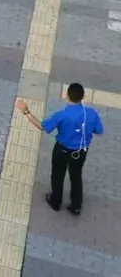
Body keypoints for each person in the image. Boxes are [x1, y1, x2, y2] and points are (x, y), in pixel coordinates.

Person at [15, 83, 104, 215]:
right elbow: (99, 131)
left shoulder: (61, 115)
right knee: (76, 176)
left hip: (62, 150)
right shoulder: (91, 113)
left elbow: (42, 127)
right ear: (83, 96)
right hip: (80, 151)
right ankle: (76, 206)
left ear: (67, 95)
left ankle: (56, 202)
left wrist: (26, 112)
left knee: (58, 175)